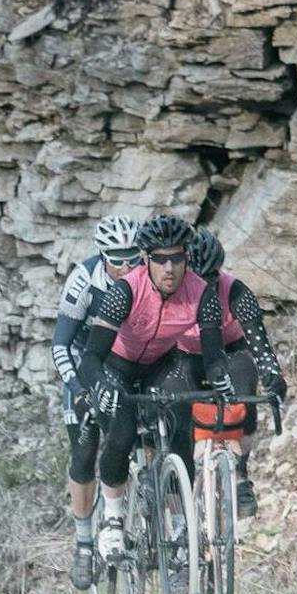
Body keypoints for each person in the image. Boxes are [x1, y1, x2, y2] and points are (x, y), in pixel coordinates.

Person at [72, 213, 208, 571]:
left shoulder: (199, 291)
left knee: (181, 422)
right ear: (145, 260)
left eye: (177, 258)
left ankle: (180, 528)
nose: (169, 268)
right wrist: (99, 384)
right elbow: (90, 357)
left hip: (162, 365)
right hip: (117, 365)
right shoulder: (125, 291)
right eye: (160, 259)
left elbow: (214, 351)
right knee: (121, 431)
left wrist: (221, 381)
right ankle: (114, 519)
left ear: (187, 259)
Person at [53, 213, 143, 590]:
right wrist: (77, 386)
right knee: (85, 451)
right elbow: (61, 344)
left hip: (125, 361)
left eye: (133, 258)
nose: (126, 266)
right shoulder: (83, 281)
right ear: (102, 254)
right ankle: (85, 542)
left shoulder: (148, 279)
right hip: (84, 361)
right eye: (117, 259)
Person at [177, 228, 288, 518]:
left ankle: (239, 475)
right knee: (177, 399)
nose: (204, 288)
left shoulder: (237, 291)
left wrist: (273, 378)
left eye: (210, 280)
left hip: (229, 350)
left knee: (244, 388)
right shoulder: (169, 291)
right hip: (184, 353)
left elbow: (259, 344)